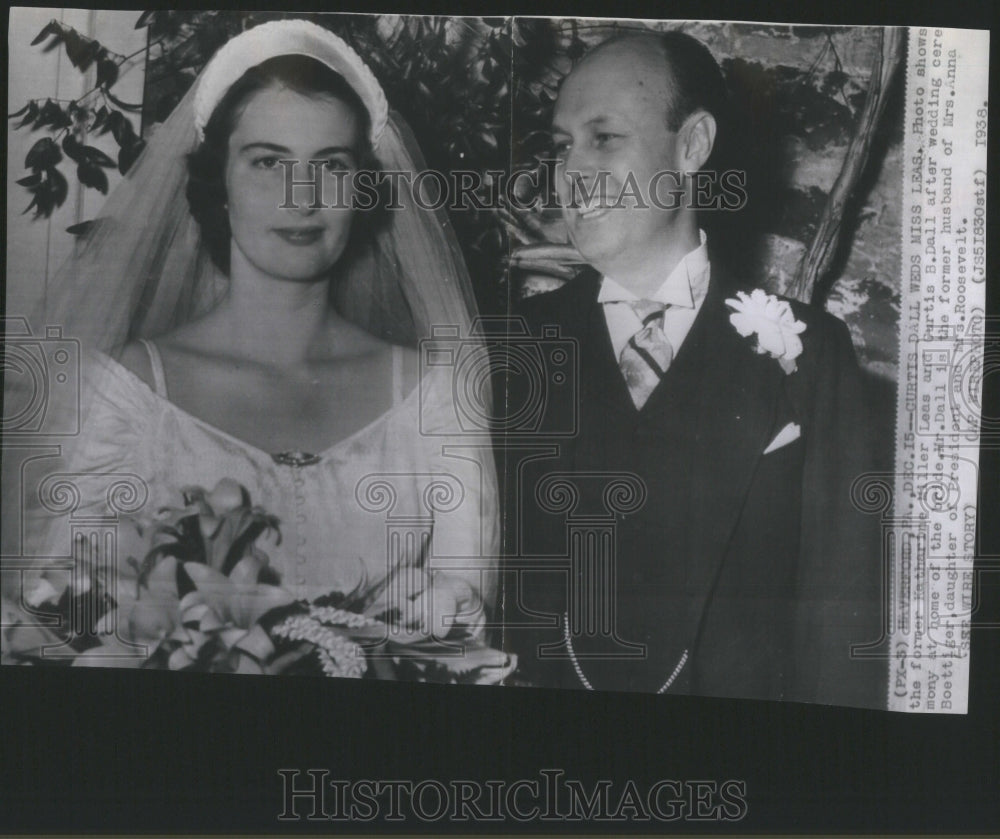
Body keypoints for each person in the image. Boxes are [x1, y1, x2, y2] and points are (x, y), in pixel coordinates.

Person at [2, 19, 498, 672]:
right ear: (221, 185)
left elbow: (458, 646)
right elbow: (52, 634)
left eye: (332, 166)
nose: (302, 197)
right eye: (269, 162)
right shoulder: (125, 396)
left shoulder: (436, 403)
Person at [500, 32, 886, 707]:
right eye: (563, 146)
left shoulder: (811, 353)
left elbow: (840, 641)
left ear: (692, 145)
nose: (572, 172)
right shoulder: (512, 347)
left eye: (604, 138)